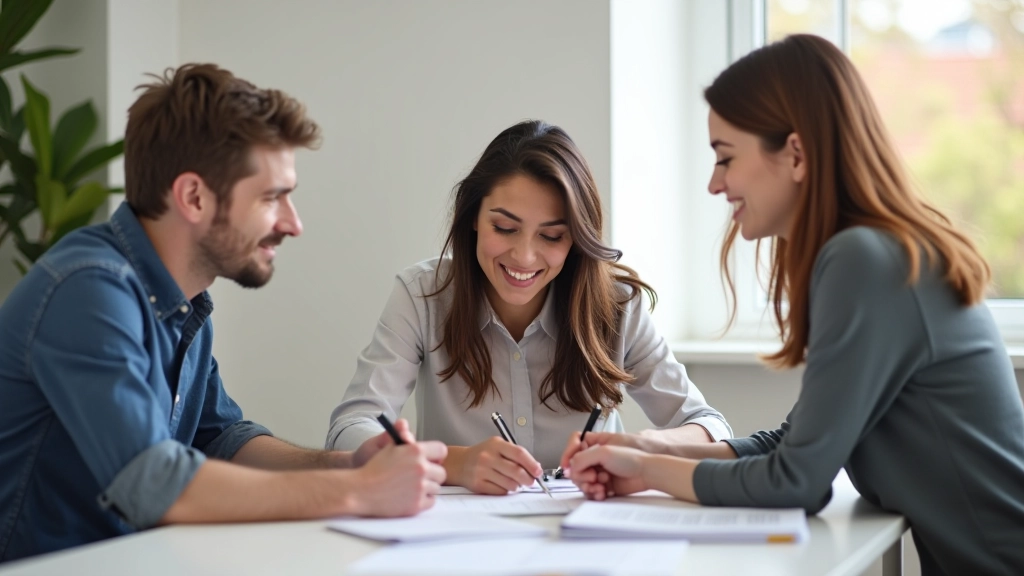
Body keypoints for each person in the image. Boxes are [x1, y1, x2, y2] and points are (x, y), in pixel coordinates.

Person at [560, 34, 1024, 575]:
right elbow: (795, 442)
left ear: (796, 154)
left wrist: (647, 469)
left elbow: (796, 481)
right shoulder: (875, 252)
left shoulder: (864, 260)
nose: (715, 184)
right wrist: (647, 455)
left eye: (725, 158)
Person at [0, 64, 446, 563]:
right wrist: (360, 493)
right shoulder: (87, 291)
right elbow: (154, 483)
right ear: (193, 197)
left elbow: (221, 438)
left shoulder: (184, 302)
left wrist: (350, 464)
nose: (293, 224)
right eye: (272, 197)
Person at [326, 120, 731, 495]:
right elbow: (350, 428)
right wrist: (455, 463)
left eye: (552, 236)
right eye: (504, 228)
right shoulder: (421, 296)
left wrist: (641, 447)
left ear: (577, 239)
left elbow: (710, 427)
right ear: (473, 218)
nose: (524, 256)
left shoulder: (617, 305)